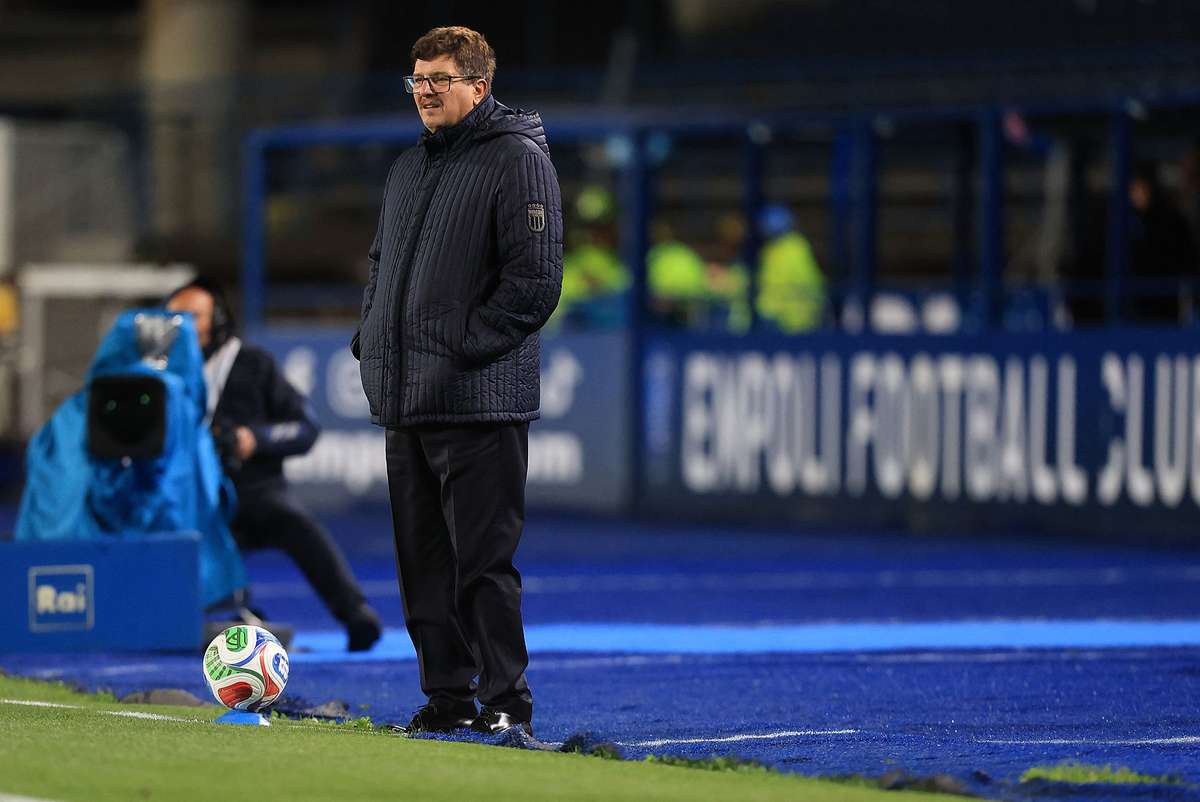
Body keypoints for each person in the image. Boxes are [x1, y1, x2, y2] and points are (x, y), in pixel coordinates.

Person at [352, 26, 562, 737]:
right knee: (423, 569)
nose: (426, 92)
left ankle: (508, 703)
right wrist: (372, 336)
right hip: (408, 400)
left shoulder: (517, 159)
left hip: (477, 401)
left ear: (479, 85)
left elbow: (534, 284)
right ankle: (448, 697)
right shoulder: (409, 168)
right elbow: (379, 263)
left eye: (440, 79)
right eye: (417, 80)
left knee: (483, 566)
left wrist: (463, 350)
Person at [165, 279, 382, 652]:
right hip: (189, 499)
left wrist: (255, 439)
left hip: (255, 491)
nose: (182, 325)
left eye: (192, 316)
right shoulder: (159, 375)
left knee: (298, 525)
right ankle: (226, 613)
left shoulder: (251, 364)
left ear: (217, 319)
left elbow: (305, 427)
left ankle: (356, 612)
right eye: (173, 318)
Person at [755, 204, 826, 333]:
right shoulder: (772, 249)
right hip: (773, 315)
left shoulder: (795, 248)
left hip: (791, 318)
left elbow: (808, 281)